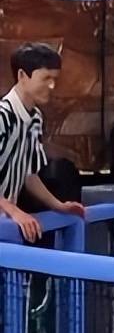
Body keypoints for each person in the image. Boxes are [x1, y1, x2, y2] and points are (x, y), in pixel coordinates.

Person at [0, 44, 85, 243]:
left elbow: (29, 173)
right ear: (22, 75)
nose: (52, 86)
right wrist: (14, 210)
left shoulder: (35, 118)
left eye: (55, 79)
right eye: (46, 78)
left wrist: (59, 205)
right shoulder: (2, 116)